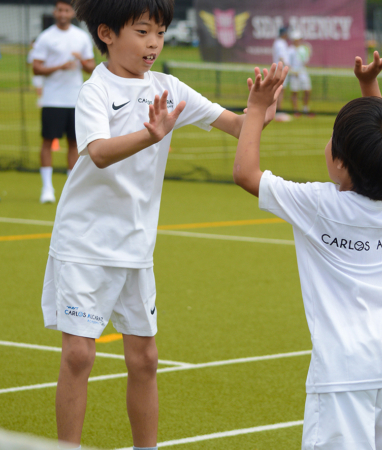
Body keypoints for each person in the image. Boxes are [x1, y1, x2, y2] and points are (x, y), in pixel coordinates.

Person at [40, 0, 281, 448]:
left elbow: (238, 126)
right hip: (84, 244)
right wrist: (149, 135)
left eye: (161, 33)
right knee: (78, 355)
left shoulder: (169, 88)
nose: (154, 43)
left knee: (145, 359)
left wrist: (260, 108)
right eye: (143, 31)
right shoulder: (95, 90)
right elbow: (98, 152)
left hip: (136, 247)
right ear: (107, 34)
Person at [233, 49, 382, 450]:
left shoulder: (319, 205)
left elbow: (246, 174)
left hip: (342, 372)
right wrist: (368, 85)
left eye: (333, 140)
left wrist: (255, 109)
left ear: (341, 163)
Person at [32, 0, 95, 204]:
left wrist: (82, 61)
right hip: (52, 99)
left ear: (72, 13)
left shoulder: (81, 37)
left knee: (74, 144)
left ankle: (71, 190)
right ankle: (47, 188)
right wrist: (59, 66)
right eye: (59, 10)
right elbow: (36, 68)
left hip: (75, 100)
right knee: (47, 142)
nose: (62, 14)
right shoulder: (46, 37)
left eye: (66, 10)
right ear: (55, 11)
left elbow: (91, 67)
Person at [288, 30, 312, 115]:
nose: (297, 41)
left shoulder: (303, 49)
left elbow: (305, 62)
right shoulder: (290, 50)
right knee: (294, 92)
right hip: (294, 74)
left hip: (303, 73)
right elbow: (288, 63)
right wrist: (292, 71)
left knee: (307, 90)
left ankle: (305, 108)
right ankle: (295, 110)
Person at [272, 26, 290, 121]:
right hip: (280, 70)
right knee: (279, 91)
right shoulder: (279, 43)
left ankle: (278, 111)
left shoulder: (282, 43)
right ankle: (278, 112)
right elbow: (281, 57)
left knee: (280, 90)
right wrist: (288, 66)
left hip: (282, 70)